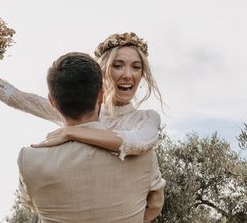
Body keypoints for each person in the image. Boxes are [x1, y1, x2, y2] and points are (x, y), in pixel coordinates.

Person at [0, 32, 164, 161]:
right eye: (118, 65)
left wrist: (69, 133)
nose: (128, 74)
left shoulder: (147, 119)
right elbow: (14, 97)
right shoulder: (81, 109)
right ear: (103, 71)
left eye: (136, 67)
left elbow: (136, 143)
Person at [17, 52, 164, 223]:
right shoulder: (142, 155)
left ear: (52, 101)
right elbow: (155, 204)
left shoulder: (29, 159)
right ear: (101, 95)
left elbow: (32, 203)